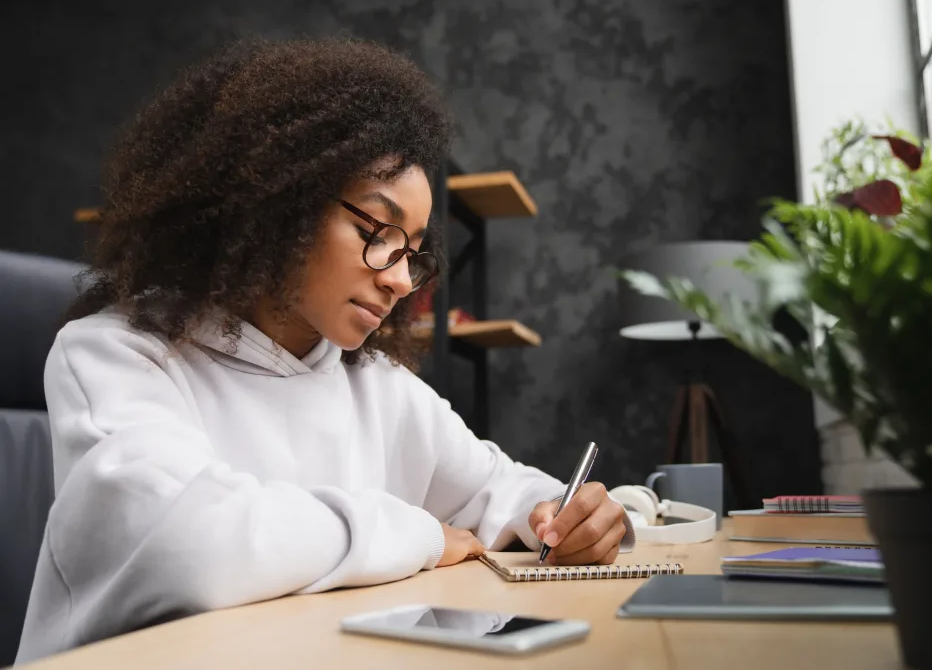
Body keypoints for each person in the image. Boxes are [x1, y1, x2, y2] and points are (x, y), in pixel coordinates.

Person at [15, 37, 632, 664]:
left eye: (412, 253)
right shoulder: (118, 355)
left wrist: (563, 513)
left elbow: (500, 490)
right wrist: (416, 535)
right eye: (374, 231)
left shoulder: (376, 386)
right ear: (278, 202)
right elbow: (188, 545)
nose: (398, 279)